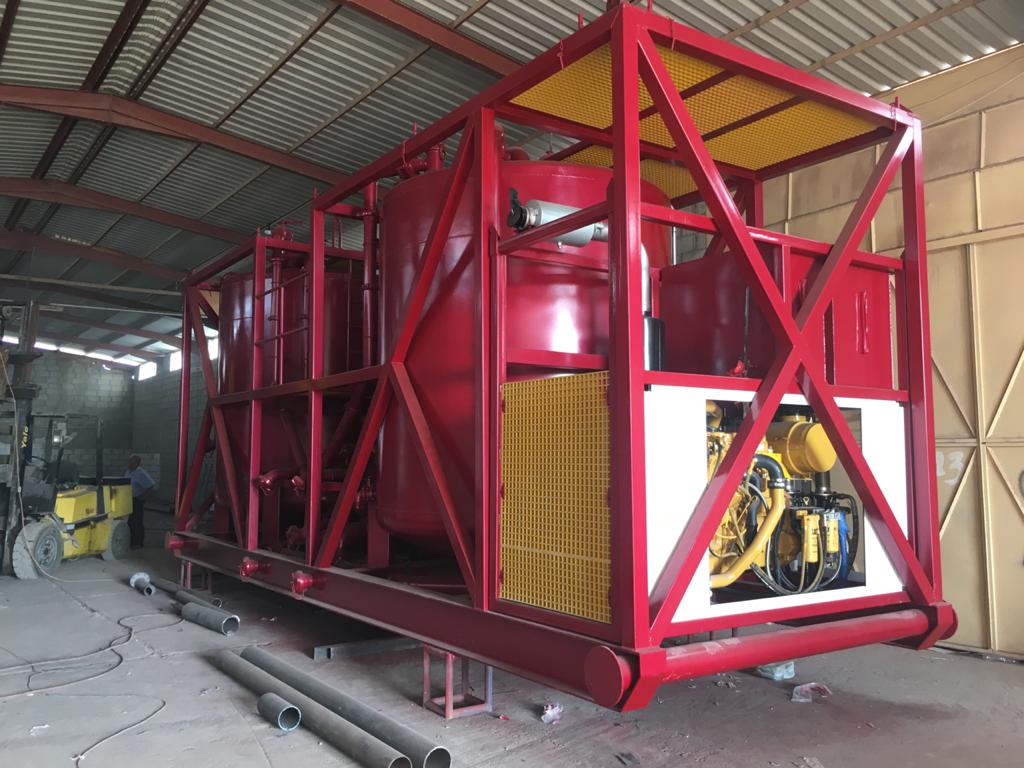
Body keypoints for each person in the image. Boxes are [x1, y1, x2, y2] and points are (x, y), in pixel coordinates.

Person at [124, 454, 155, 548]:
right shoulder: (128, 472)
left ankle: (138, 543)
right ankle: (131, 542)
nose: (128, 463)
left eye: (131, 461)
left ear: (136, 463)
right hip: (128, 500)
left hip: (136, 500)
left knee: (137, 521)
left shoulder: (140, 472)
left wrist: (142, 497)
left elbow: (151, 485)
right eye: (128, 461)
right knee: (130, 521)